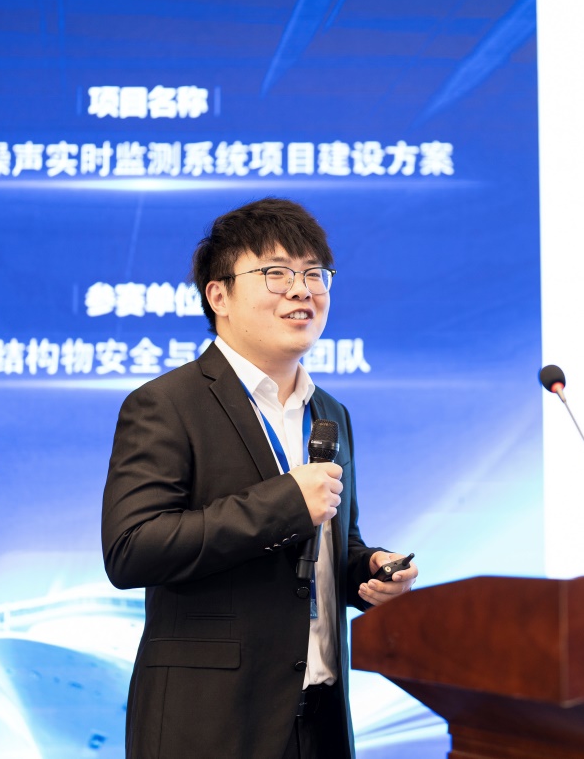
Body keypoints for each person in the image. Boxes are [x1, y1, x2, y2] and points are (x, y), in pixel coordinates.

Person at [101, 197, 418, 759]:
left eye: (314, 274)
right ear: (218, 296)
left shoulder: (330, 412)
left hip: (318, 719)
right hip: (210, 725)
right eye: (276, 273)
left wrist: (366, 572)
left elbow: (331, 545)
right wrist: (285, 503)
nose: (301, 291)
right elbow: (132, 549)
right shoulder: (166, 404)